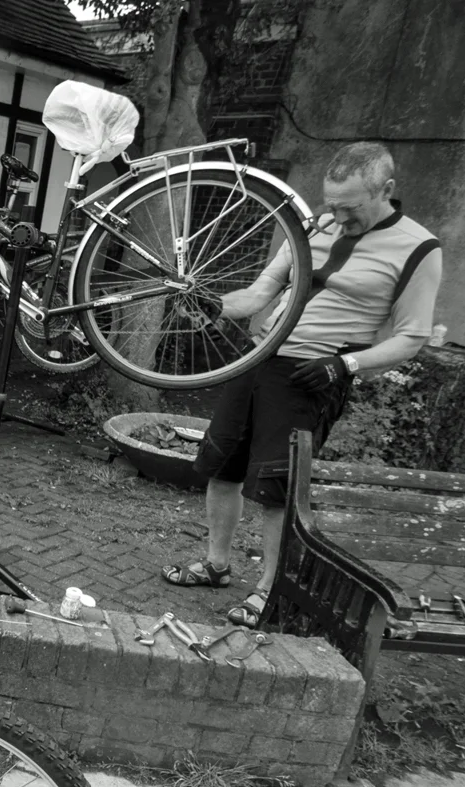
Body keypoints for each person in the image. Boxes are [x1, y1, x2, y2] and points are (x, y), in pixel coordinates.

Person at [162, 142, 442, 627]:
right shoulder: (314, 226)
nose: (338, 217)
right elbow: (259, 294)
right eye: (332, 204)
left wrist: (345, 365)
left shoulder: (419, 248)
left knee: (278, 489)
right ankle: (216, 564)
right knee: (222, 466)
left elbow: (412, 337)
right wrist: (215, 305)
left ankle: (270, 590)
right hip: (258, 358)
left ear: (387, 190)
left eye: (350, 208)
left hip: (312, 374)